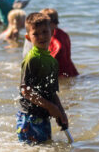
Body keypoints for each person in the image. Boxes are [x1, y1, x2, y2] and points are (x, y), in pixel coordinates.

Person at [16, 12, 69, 144]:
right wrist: (51, 107)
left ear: (52, 32)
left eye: (45, 32)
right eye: (36, 34)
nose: (41, 36)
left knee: (46, 148)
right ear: (28, 37)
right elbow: (25, 90)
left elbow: (52, 92)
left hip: (44, 115)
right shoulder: (31, 59)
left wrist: (61, 112)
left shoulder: (52, 61)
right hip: (29, 116)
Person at [41, 8, 79, 77]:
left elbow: (58, 47)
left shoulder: (53, 36)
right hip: (70, 69)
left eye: (42, 23)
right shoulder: (64, 34)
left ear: (48, 22)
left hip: (60, 72)